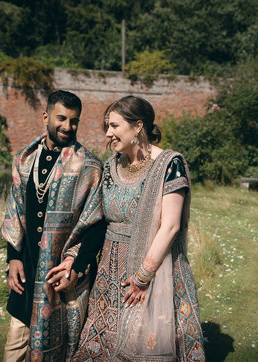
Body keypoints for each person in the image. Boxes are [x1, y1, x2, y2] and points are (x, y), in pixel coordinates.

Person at [72, 96, 205, 361]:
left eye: (114, 125)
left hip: (155, 269)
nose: (108, 133)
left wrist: (143, 277)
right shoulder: (110, 167)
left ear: (137, 127)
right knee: (102, 345)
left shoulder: (169, 164)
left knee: (147, 343)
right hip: (109, 274)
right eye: (107, 126)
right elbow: (97, 220)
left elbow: (170, 226)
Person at [1, 90, 106, 361]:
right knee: (15, 346)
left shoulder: (89, 167)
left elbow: (96, 224)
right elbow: (15, 211)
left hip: (62, 276)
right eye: (61, 118)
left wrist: (78, 265)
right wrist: (13, 258)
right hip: (27, 269)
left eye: (74, 121)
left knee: (62, 349)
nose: (67, 127)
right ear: (45, 117)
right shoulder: (24, 161)